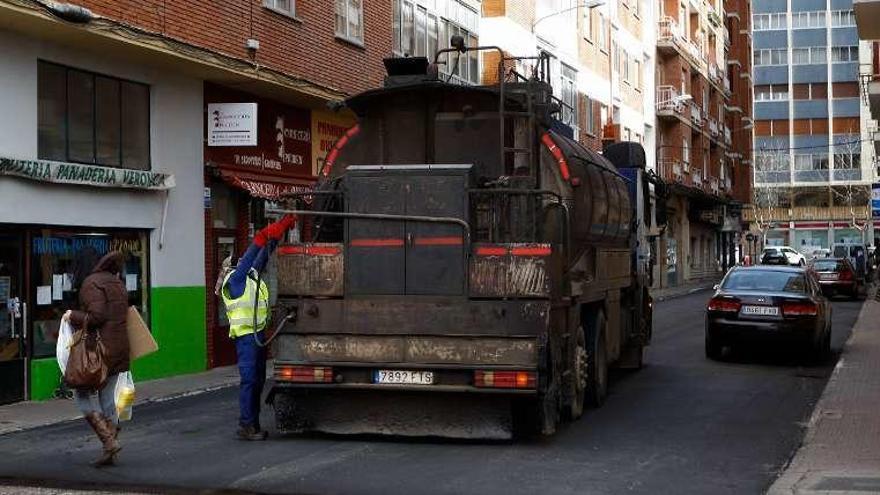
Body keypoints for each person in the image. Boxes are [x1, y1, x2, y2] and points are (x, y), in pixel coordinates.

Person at [221, 214, 296, 440]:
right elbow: (250, 258)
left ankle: (252, 422)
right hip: (246, 339)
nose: (242, 261)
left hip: (258, 337)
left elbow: (262, 256)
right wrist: (262, 236)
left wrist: (277, 233)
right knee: (250, 381)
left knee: (258, 381)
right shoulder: (235, 280)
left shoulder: (251, 278)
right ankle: (246, 425)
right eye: (239, 260)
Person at [62, 251, 130, 467]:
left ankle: (108, 441)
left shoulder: (91, 283)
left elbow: (97, 316)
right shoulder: (117, 283)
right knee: (108, 398)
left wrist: (71, 315)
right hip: (118, 348)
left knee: (81, 392)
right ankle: (110, 447)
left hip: (99, 352)